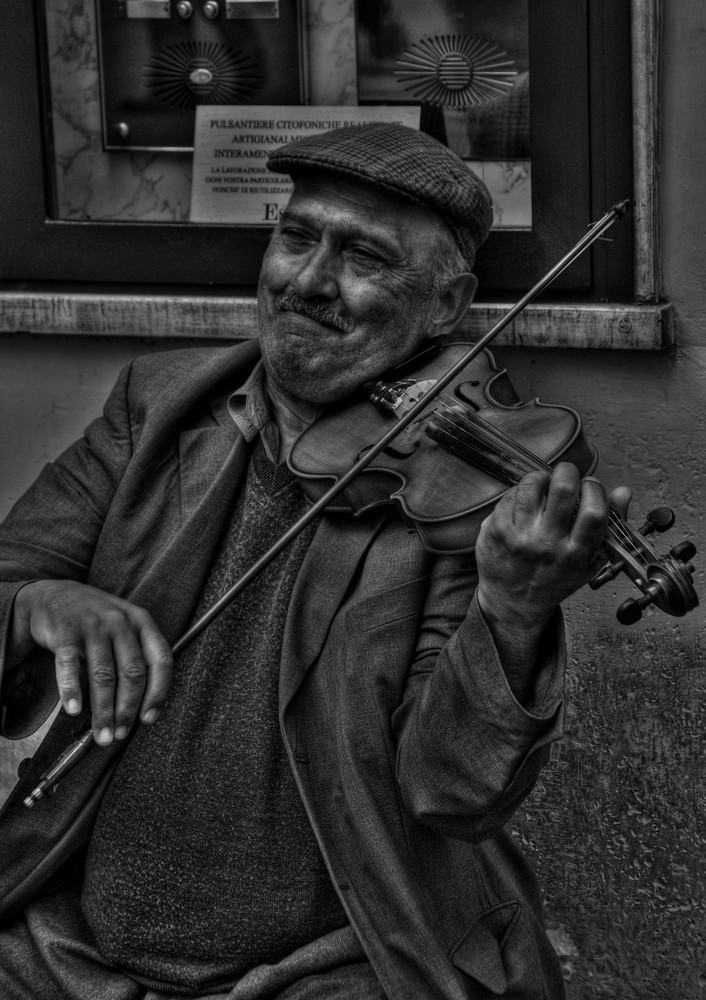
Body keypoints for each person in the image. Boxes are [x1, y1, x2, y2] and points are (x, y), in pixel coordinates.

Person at [0, 124, 619, 1000]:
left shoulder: (459, 493)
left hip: (337, 966)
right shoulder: (158, 406)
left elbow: (449, 793)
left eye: (364, 257)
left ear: (446, 308)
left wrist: (512, 616)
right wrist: (41, 604)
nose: (309, 282)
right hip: (69, 953)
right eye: (296, 238)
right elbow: (6, 578)